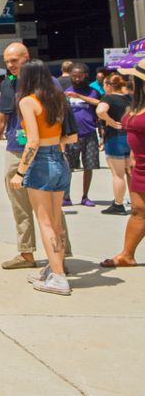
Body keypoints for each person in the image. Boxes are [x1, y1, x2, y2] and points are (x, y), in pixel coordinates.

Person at [0, 42, 72, 270]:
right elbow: (1, 118)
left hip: (43, 152)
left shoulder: (50, 84)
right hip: (15, 149)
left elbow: (62, 120)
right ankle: (26, 252)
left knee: (51, 210)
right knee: (19, 205)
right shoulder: (8, 85)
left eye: (14, 60)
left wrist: (58, 149)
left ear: (27, 58)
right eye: (7, 61)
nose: (10, 65)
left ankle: (59, 258)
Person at [9, 60, 72, 295]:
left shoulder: (27, 101)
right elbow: (68, 134)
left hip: (41, 162)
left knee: (45, 222)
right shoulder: (56, 98)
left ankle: (58, 276)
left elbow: (32, 141)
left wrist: (20, 172)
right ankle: (56, 268)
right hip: (59, 158)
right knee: (55, 222)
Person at [101, 61, 145, 268]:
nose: (130, 82)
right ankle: (127, 255)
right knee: (138, 210)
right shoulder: (136, 102)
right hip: (139, 165)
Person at [62, 62, 101, 207]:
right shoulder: (66, 91)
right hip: (71, 134)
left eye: (79, 76)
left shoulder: (93, 92)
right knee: (69, 167)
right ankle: (66, 196)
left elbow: (99, 104)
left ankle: (85, 196)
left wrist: (78, 96)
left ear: (85, 75)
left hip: (90, 133)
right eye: (74, 76)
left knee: (88, 167)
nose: (77, 79)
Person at [96, 72, 132, 215]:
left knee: (118, 175)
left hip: (115, 138)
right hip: (130, 136)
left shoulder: (108, 98)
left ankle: (118, 204)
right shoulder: (130, 97)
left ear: (109, 86)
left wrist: (110, 121)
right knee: (131, 173)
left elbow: (100, 110)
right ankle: (136, 202)